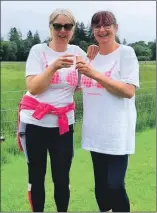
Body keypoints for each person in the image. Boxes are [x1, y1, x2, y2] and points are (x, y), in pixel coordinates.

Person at [17, 8, 98, 212]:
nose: (62, 30)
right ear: (50, 27)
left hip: (63, 125)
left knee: (62, 177)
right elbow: (33, 87)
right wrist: (52, 67)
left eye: (67, 26)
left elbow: (84, 85)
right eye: (58, 26)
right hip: (35, 123)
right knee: (36, 176)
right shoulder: (38, 51)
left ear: (73, 29)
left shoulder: (78, 53)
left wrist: (93, 58)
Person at [76, 11, 140, 212]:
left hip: (117, 133)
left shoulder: (126, 53)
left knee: (115, 184)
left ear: (116, 27)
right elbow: (76, 86)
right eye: (97, 26)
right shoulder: (90, 57)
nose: (102, 30)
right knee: (101, 188)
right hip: (95, 133)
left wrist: (94, 74)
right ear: (93, 31)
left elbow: (128, 91)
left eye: (107, 25)